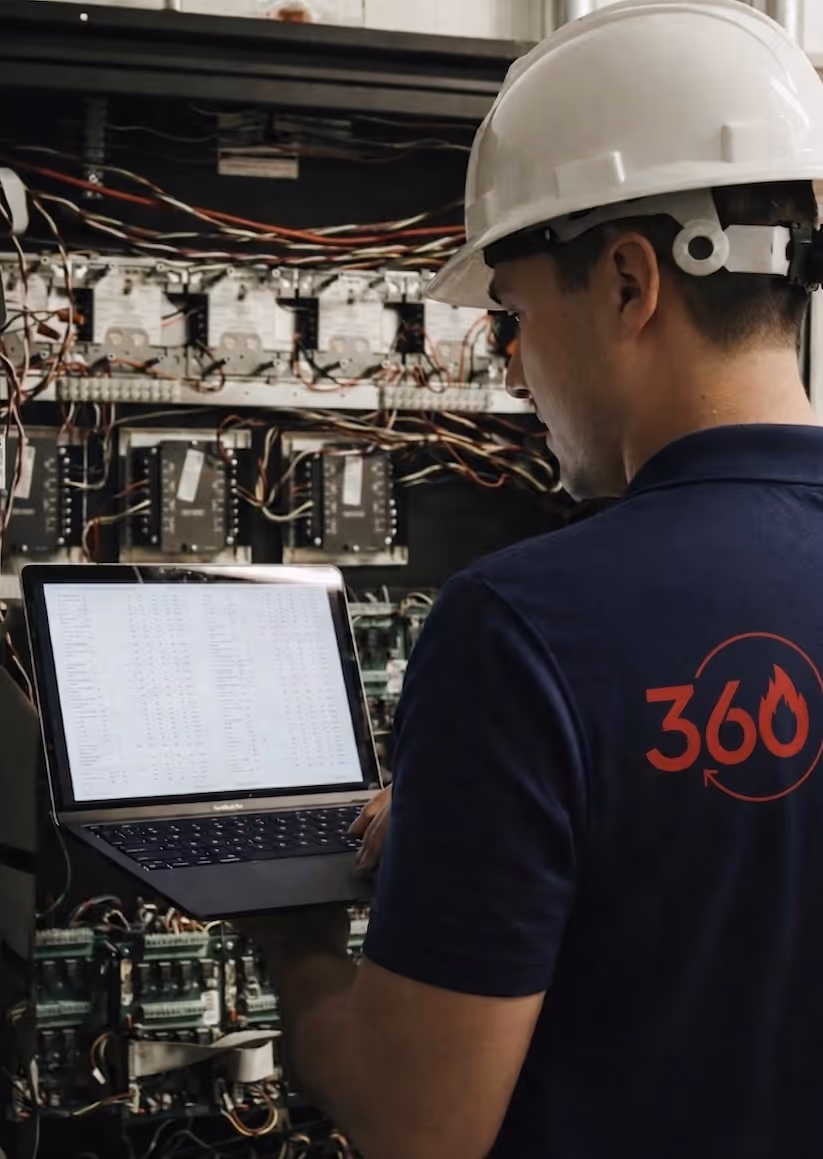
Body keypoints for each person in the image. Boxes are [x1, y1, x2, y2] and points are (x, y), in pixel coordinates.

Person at [240, 2, 823, 1156]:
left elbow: (419, 1123)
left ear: (625, 283)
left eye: (510, 314)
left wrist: (293, 937)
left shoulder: (519, 630)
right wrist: (488, 826)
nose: (509, 368)